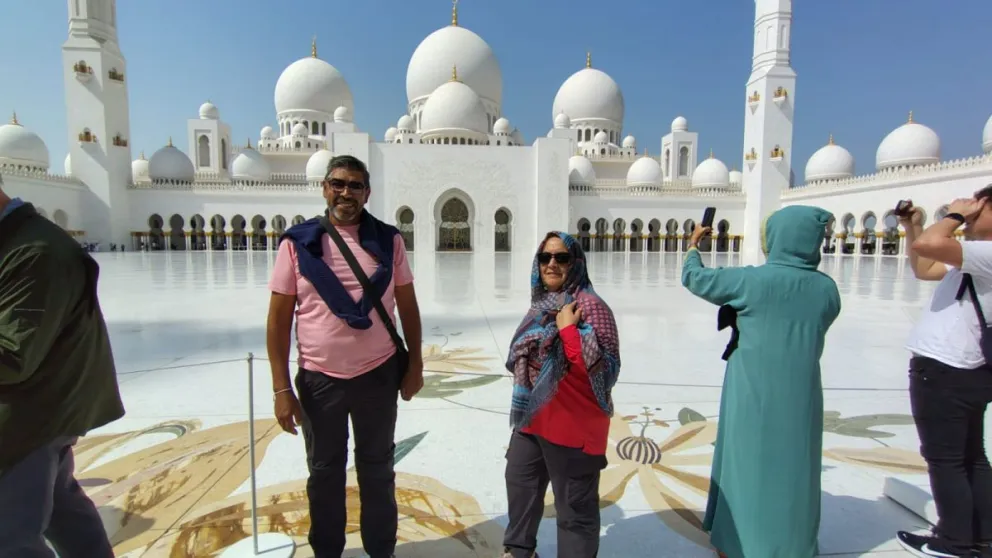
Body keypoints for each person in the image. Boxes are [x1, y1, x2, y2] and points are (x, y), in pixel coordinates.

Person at [266, 155, 424, 558]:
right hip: (320, 380)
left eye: (355, 185)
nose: (346, 192)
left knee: (377, 469)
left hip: (377, 375)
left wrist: (416, 365)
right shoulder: (297, 244)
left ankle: (380, 550)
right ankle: (327, 551)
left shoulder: (388, 240)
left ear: (367, 193)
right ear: (324, 187)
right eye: (338, 183)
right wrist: (281, 388)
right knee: (324, 474)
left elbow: (407, 304)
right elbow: (279, 318)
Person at [681, 205, 841, 558]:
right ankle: (794, 545)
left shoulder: (750, 281)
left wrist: (694, 245)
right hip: (801, 395)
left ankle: (739, 543)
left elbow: (694, 278)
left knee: (746, 464)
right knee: (795, 467)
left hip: (751, 391)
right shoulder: (827, 290)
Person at [0, 174, 125, 557]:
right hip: (45, 412)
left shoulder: (37, 251)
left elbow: (13, 356)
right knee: (64, 512)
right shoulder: (20, 243)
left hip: (30, 420)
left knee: (11, 540)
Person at [502, 231, 620, 558]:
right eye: (545, 257)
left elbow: (605, 373)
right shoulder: (540, 305)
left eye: (561, 257)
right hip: (533, 420)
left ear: (576, 263)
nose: (551, 264)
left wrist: (569, 330)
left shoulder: (592, 307)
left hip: (574, 428)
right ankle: (519, 550)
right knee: (521, 487)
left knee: (574, 513)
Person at [896, 187, 992, 558]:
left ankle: (953, 541)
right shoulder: (974, 257)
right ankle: (981, 537)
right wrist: (913, 226)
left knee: (946, 459)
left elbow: (929, 249)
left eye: (979, 208)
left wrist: (953, 216)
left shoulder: (985, 253)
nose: (970, 211)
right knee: (971, 456)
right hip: (968, 369)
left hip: (946, 370)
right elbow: (925, 267)